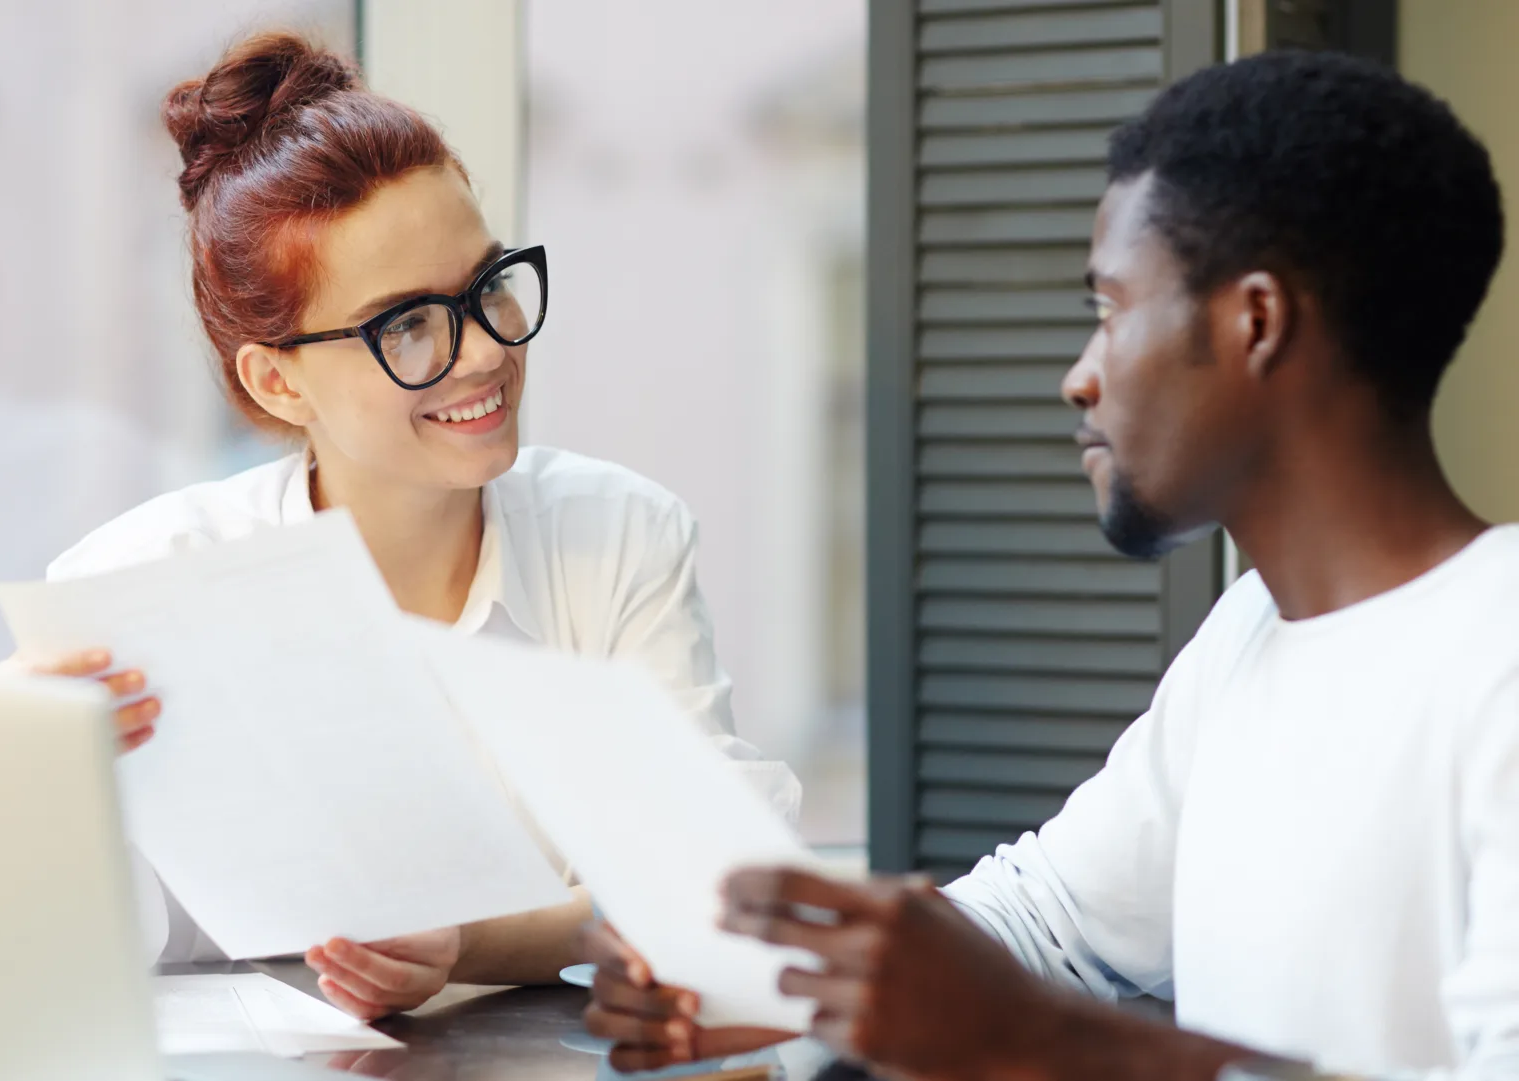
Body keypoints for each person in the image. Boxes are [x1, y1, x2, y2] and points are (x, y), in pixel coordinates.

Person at [583, 50, 1519, 1081]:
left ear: (1256, 321)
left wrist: (1029, 1039)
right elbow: (1047, 926)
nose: (1080, 377)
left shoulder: (1497, 658)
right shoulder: (1250, 634)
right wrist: (747, 984)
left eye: (1112, 309)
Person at [13, 32, 798, 1022]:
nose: (480, 354)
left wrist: (472, 941)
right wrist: (11, 774)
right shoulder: (134, 583)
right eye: (408, 325)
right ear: (276, 380)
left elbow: (724, 880)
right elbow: (52, 953)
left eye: (486, 287)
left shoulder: (616, 540)